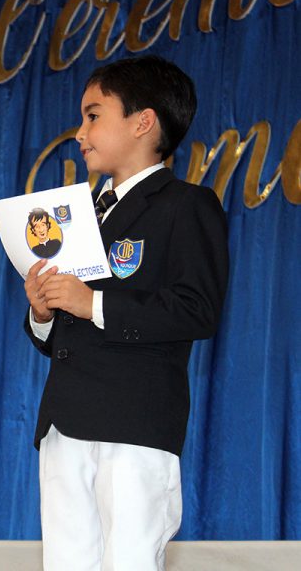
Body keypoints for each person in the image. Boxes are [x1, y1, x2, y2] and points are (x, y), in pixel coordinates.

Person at [23, 55, 229, 571]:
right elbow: (63, 331)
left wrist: (90, 302)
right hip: (65, 422)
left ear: (143, 122)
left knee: (130, 561)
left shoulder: (186, 204)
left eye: (94, 115)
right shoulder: (83, 213)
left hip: (135, 424)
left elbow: (196, 309)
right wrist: (43, 310)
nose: (80, 132)